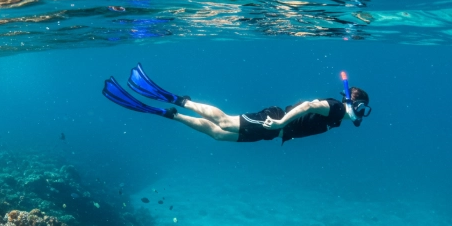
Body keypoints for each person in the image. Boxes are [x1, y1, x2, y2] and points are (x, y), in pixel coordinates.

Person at [102, 64, 371, 143]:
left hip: (273, 131)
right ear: (353, 103)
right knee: (223, 121)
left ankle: (171, 114)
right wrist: (281, 121)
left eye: (364, 112)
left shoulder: (339, 118)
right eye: (362, 109)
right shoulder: (336, 108)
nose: (362, 115)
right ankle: (178, 99)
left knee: (219, 135)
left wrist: (280, 129)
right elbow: (310, 105)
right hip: (273, 120)